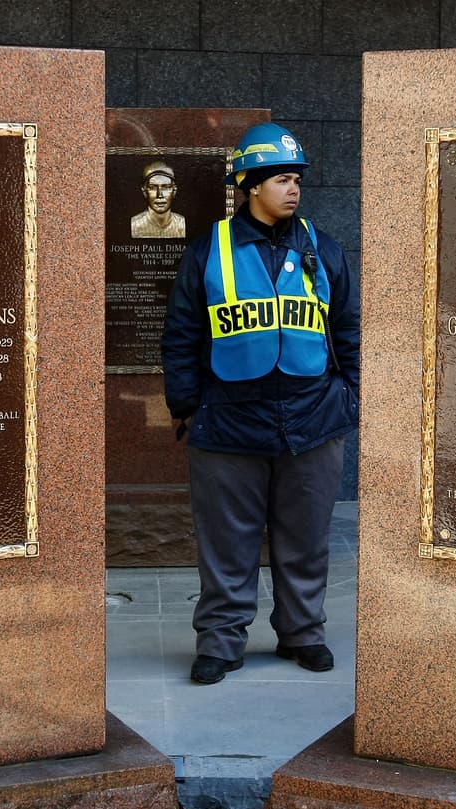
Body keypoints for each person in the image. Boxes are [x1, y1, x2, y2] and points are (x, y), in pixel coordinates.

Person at [161, 122, 360, 685]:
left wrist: (353, 393)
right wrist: (186, 404)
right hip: (227, 420)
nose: (293, 189)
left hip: (313, 418)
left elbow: (347, 328)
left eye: (297, 178)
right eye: (280, 178)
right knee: (228, 544)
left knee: (305, 538)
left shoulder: (323, 248)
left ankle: (303, 633)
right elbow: (180, 334)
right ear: (249, 185)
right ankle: (222, 642)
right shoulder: (209, 250)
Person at [131, 161, 186, 238]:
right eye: (153, 187)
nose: (159, 195)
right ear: (144, 191)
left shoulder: (181, 224)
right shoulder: (135, 224)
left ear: (174, 191)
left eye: (166, 187)